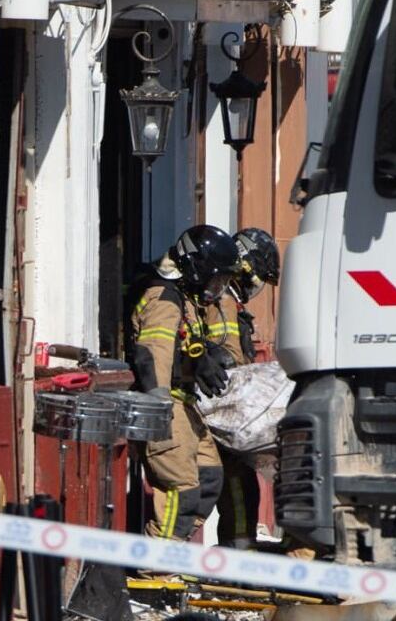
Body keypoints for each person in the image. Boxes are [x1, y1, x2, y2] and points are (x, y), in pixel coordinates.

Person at [128, 225, 240, 541]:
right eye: (216, 278)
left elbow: (182, 344)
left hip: (185, 403)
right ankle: (156, 569)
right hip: (166, 405)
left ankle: (172, 548)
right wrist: (159, 406)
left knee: (209, 477)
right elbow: (154, 352)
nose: (217, 286)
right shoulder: (163, 296)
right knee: (182, 489)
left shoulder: (183, 296)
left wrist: (204, 354)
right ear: (196, 267)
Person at [213, 228, 280, 549]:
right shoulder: (224, 301)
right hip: (224, 408)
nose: (257, 287)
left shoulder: (231, 302)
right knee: (237, 486)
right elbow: (229, 357)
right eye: (259, 279)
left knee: (241, 486)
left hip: (231, 408)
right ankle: (237, 553)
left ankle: (239, 549)